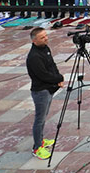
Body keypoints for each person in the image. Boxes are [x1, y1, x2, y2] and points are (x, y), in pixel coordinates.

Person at [25, 28, 63, 160]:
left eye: (46, 36)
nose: (46, 38)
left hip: (49, 88)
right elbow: (43, 75)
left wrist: (58, 76)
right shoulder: (34, 57)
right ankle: (37, 147)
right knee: (39, 120)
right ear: (34, 41)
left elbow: (52, 65)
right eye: (42, 37)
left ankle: (41, 140)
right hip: (40, 91)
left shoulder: (45, 48)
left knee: (44, 116)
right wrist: (58, 79)